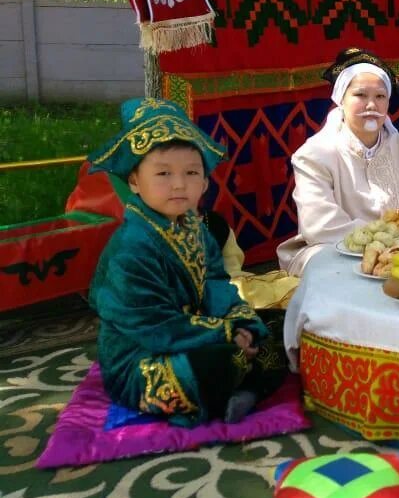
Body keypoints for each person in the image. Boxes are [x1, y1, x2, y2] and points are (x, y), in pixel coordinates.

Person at [87, 98, 286, 426]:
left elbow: (217, 285)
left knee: (278, 327)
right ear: (134, 180)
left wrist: (242, 323)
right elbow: (155, 325)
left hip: (200, 332)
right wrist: (224, 333)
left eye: (191, 173)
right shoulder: (129, 249)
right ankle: (245, 387)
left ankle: (242, 391)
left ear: (205, 182)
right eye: (163, 173)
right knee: (217, 362)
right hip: (143, 357)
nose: (179, 184)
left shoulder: (197, 229)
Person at [277, 49, 399, 275]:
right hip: (337, 248)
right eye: (360, 95)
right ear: (340, 100)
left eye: (380, 97)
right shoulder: (313, 155)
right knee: (325, 266)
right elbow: (321, 226)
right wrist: (381, 245)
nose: (371, 105)